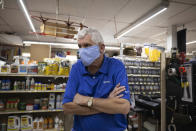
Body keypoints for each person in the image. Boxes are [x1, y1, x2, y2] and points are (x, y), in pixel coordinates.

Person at [63, 28, 131, 131]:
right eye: (79, 46)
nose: (82, 50)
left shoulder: (116, 66)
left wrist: (87, 100)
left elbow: (124, 107)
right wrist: (108, 103)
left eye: (86, 45)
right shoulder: (76, 68)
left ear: (101, 48)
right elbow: (67, 107)